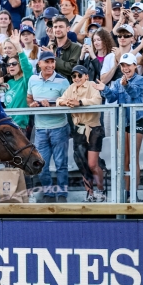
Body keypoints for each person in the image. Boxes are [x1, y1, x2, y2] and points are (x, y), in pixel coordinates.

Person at [93, 52, 143, 199]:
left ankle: (133, 194)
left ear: (135, 66)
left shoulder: (141, 80)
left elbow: (135, 93)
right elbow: (112, 97)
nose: (125, 68)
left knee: (133, 158)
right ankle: (126, 193)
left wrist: (126, 85)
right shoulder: (117, 82)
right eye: (123, 65)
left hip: (136, 120)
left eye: (128, 65)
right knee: (124, 159)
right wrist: (104, 89)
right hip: (121, 122)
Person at [27, 50, 70, 202]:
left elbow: (69, 102)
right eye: (47, 62)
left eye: (52, 62)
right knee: (41, 165)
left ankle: (62, 195)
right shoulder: (32, 79)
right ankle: (49, 193)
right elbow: (29, 98)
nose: (50, 65)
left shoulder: (63, 81)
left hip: (59, 127)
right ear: (39, 64)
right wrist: (33, 104)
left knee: (61, 164)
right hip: (40, 129)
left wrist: (50, 104)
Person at [57, 64, 104, 202]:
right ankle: (90, 193)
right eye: (74, 76)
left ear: (86, 76)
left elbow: (97, 101)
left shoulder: (92, 85)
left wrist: (80, 102)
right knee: (82, 164)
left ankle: (101, 191)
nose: (76, 78)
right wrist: (67, 102)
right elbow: (59, 101)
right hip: (78, 130)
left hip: (94, 129)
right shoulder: (71, 88)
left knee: (92, 164)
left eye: (79, 75)